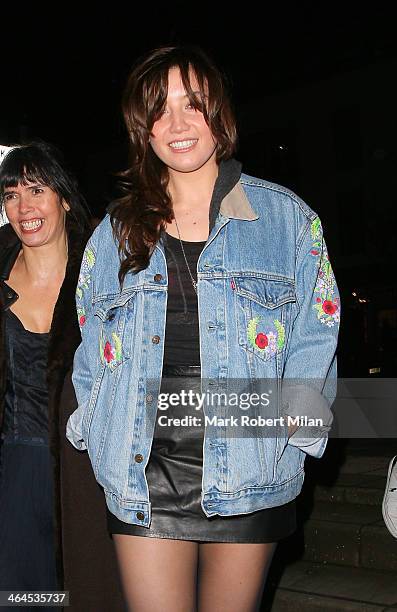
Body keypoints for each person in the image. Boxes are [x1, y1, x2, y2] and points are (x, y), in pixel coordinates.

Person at [67, 46, 340, 612]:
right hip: (141, 469)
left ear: (221, 115)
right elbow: (90, 347)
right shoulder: (113, 233)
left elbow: (318, 337)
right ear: (144, 130)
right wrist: (96, 436)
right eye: (160, 111)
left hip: (249, 459)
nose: (178, 123)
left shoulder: (286, 219)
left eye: (194, 104)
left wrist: (289, 440)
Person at [0, 142, 124, 611]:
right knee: (20, 599)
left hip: (87, 471)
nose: (24, 207)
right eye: (11, 194)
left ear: (64, 197)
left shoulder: (106, 274)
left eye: (36, 189)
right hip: (13, 472)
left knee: (83, 594)